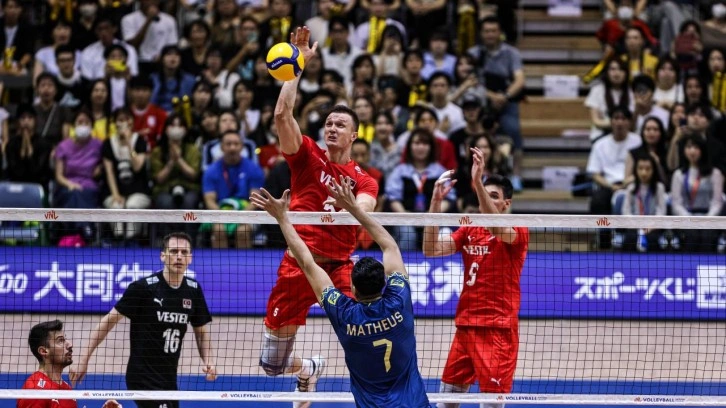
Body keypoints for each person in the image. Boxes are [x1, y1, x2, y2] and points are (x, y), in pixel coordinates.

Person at [260, 26, 378, 408]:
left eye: (340, 125)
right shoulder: (307, 156)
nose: (332, 128)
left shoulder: (364, 180)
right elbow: (282, 114)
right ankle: (308, 368)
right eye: (328, 123)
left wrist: (351, 205)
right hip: (298, 264)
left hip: (339, 269)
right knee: (271, 365)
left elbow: (366, 212)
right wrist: (296, 66)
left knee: (365, 338)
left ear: (354, 136)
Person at [250, 176, 431, 408]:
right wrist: (354, 208)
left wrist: (282, 218)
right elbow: (390, 246)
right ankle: (308, 370)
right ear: (385, 283)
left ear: (352, 288)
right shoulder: (399, 300)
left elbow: (307, 263)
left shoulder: (346, 314)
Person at [423, 148, 530, 408]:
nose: (487, 200)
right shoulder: (469, 229)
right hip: (466, 325)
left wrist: (477, 182)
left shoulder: (518, 230)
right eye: (485, 194)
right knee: (446, 401)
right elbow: (430, 249)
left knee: (491, 404)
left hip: (497, 328)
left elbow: (496, 227)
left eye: (494, 196)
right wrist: (435, 204)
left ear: (506, 204)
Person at [70, 232, 217, 408]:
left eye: (184, 252)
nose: (179, 256)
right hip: (142, 376)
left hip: (168, 378)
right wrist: (83, 360)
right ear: (163, 256)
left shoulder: (193, 290)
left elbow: (201, 333)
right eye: (173, 251)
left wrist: (208, 360)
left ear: (190, 258)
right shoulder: (143, 288)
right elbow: (107, 322)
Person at [19, 320, 120, 408]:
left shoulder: (67, 389)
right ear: (44, 351)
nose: (70, 345)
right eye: (60, 341)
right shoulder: (34, 389)